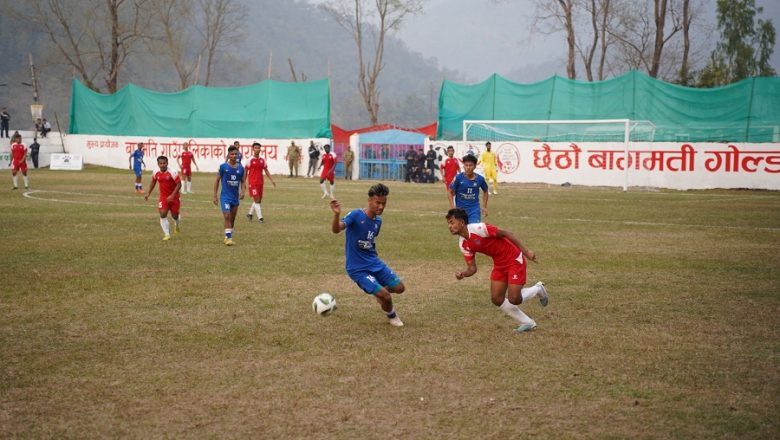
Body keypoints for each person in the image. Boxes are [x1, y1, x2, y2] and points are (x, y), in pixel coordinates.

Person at [445, 207, 549, 332]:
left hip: (513, 258)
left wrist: (526, 251)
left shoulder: (478, 229)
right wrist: (463, 274)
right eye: (448, 223)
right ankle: (528, 323)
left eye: (452, 222)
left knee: (514, 299)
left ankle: (538, 289)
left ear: (461, 222)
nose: (449, 226)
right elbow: (472, 269)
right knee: (496, 298)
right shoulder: (463, 244)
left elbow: (507, 233)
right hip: (499, 264)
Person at [329, 183, 405, 327]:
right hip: (357, 268)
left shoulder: (378, 221)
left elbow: (370, 239)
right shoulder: (356, 215)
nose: (381, 207)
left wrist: (374, 251)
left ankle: (378, 292)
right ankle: (392, 316)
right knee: (386, 296)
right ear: (369, 200)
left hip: (374, 262)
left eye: (384, 203)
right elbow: (336, 229)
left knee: (400, 288)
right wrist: (337, 214)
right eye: (378, 203)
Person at [213, 146, 246, 245]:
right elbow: (217, 180)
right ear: (228, 155)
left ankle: (228, 234)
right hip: (225, 197)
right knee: (227, 216)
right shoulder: (223, 167)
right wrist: (215, 195)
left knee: (232, 219)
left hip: (235, 197)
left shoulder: (241, 168)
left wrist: (243, 191)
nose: (234, 156)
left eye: (236, 154)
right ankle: (228, 238)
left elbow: (243, 181)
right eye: (232, 154)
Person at [144, 156, 182, 241]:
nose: (162, 165)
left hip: (174, 197)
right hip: (163, 197)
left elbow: (179, 184)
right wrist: (148, 193)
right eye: (160, 163)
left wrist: (172, 195)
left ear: (167, 163)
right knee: (163, 214)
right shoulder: (156, 172)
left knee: (175, 215)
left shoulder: (173, 172)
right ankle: (167, 234)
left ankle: (176, 223)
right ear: (158, 164)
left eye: (164, 163)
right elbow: (153, 182)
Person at [449, 154, 489, 223]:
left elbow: (485, 191)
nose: (468, 167)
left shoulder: (480, 179)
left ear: (475, 166)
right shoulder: (458, 178)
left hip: (474, 209)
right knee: (463, 232)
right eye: (466, 165)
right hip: (460, 210)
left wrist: (484, 206)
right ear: (463, 166)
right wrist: (453, 207)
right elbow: (449, 191)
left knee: (474, 228)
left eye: (470, 165)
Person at [246, 142, 276, 223]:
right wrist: (243, 183)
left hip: (260, 183)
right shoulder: (249, 160)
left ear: (260, 149)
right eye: (255, 148)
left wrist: (272, 180)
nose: (257, 149)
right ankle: (260, 218)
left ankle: (249, 214)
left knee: (258, 200)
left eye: (258, 148)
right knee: (256, 199)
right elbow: (245, 171)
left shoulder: (263, 160)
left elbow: (266, 170)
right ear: (253, 149)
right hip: (252, 183)